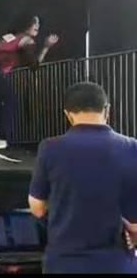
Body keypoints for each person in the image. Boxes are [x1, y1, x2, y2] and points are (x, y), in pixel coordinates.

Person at [28, 82, 137, 273]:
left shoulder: (50, 148)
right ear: (107, 110)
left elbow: (37, 208)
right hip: (116, 264)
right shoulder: (131, 148)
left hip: (64, 263)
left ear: (68, 114)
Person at [0, 16, 59, 161]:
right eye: (35, 23)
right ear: (26, 25)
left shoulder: (11, 37)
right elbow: (34, 65)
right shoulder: (26, 39)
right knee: (10, 100)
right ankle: (3, 142)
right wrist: (46, 46)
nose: (38, 26)